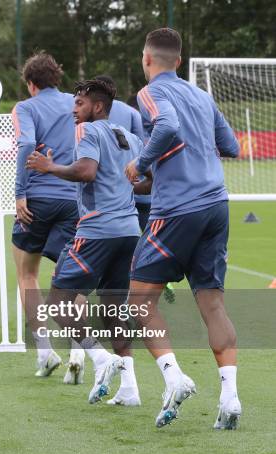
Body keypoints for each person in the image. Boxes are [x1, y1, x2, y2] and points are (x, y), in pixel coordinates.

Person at [124, 28, 241, 429]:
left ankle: (175, 378)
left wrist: (141, 164)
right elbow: (233, 147)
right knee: (212, 304)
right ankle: (230, 397)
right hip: (217, 205)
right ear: (180, 58)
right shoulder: (203, 96)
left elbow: (168, 126)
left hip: (177, 211)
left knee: (139, 300)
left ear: (147, 58)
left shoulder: (149, 93)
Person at [26, 78, 143, 405]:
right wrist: (123, 185)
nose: (73, 109)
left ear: (98, 106)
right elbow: (148, 182)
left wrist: (49, 167)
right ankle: (130, 388)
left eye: (79, 103)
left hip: (97, 231)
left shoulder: (89, 131)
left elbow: (87, 171)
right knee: (112, 308)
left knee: (57, 301)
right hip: (129, 231)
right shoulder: (131, 138)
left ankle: (100, 359)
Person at [11, 52, 83, 382]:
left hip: (37, 199)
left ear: (30, 84)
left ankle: (44, 349)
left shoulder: (27, 107)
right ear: (58, 77)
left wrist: (19, 191)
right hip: (73, 199)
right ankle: (78, 348)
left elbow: (26, 142)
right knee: (71, 276)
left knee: (27, 274)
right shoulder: (76, 103)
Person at [98, 75, 177, 305]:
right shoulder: (132, 113)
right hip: (145, 190)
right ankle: (157, 282)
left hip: (117, 197)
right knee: (142, 246)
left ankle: (119, 301)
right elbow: (141, 146)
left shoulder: (90, 113)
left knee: (118, 255)